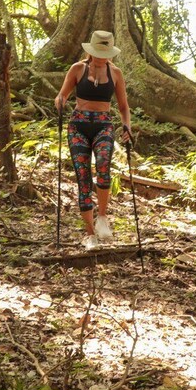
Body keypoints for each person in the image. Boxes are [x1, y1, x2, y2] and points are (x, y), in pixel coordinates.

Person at [55, 30, 132, 249]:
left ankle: (103, 217)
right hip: (78, 126)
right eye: (98, 51)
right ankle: (90, 235)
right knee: (83, 177)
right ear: (91, 50)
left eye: (105, 52)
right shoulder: (78, 69)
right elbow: (62, 95)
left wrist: (127, 126)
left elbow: (124, 107)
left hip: (103, 125)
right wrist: (60, 101)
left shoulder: (115, 73)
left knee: (104, 165)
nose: (101, 56)